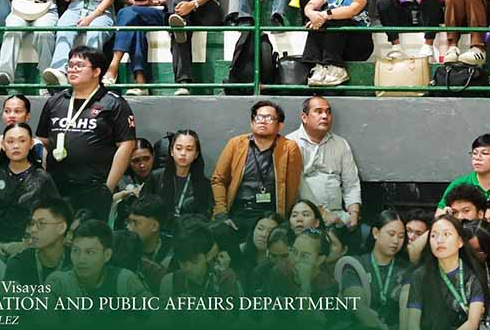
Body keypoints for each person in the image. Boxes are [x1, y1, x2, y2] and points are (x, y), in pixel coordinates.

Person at [35, 46, 138, 220]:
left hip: (94, 187)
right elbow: (42, 141)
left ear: (96, 71)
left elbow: (126, 146)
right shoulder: (55, 101)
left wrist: (108, 187)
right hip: (56, 187)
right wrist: (44, 178)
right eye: (70, 65)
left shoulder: (113, 103)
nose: (72, 69)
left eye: (79, 65)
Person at [209, 100, 303, 234]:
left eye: (269, 118)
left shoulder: (289, 148)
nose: (262, 121)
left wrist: (282, 220)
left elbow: (291, 189)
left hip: (269, 216)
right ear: (252, 122)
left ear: (280, 125)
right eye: (259, 117)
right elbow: (218, 180)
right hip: (237, 212)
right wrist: (221, 213)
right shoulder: (235, 144)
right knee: (219, 232)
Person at [286, 96, 362, 230]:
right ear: (304, 117)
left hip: (339, 216)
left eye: (328, 112)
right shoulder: (290, 143)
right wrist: (322, 213)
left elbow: (351, 182)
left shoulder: (340, 143)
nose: (325, 116)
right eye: (319, 111)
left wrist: (354, 212)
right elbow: (298, 183)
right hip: (306, 217)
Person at [404, 213, 488, 330]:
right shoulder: (420, 275)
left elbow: (472, 323)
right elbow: (412, 324)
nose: (439, 240)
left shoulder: (473, 275)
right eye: (434, 235)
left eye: (446, 234)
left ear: (460, 242)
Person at [0, 122, 59, 249]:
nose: (16, 146)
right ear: (3, 145)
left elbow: (54, 217)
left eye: (22, 141)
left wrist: (27, 244)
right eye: (10, 141)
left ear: (31, 144)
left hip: (30, 246)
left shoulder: (42, 178)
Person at [45, 219, 150, 301]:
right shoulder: (58, 283)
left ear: (107, 255)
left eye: (90, 252)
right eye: (76, 251)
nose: (81, 259)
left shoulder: (125, 281)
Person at [141, 129, 212, 220]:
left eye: (189, 149)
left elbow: (205, 216)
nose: (183, 153)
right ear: (171, 151)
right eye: (178, 148)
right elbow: (142, 209)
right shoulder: (156, 177)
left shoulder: (204, 184)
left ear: (196, 154)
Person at [3, 198, 73, 286]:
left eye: (41, 223)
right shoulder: (18, 264)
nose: (33, 230)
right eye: (32, 223)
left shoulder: (76, 261)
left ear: (61, 228)